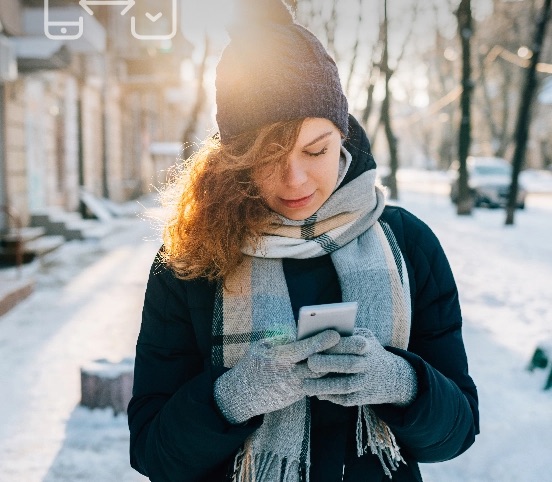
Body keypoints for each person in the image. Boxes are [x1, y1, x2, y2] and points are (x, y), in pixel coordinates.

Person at [127, 1, 479, 480]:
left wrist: (402, 383)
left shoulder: (408, 243)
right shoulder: (191, 256)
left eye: (316, 150)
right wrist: (231, 397)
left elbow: (458, 432)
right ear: (235, 159)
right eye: (268, 156)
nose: (294, 179)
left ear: (343, 137)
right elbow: (152, 452)